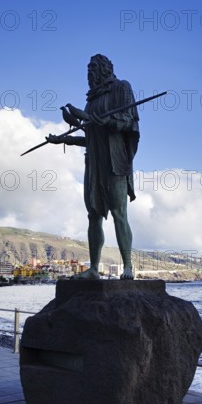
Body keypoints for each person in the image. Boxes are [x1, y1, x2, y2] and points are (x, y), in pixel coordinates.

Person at [47, 54, 139, 279]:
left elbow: (130, 122)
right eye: (88, 69)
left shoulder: (121, 88)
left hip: (115, 160)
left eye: (93, 68)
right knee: (93, 215)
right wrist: (64, 140)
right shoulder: (91, 100)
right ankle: (94, 269)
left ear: (104, 69)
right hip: (95, 163)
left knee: (119, 213)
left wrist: (109, 122)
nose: (89, 73)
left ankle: (128, 266)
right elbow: (90, 137)